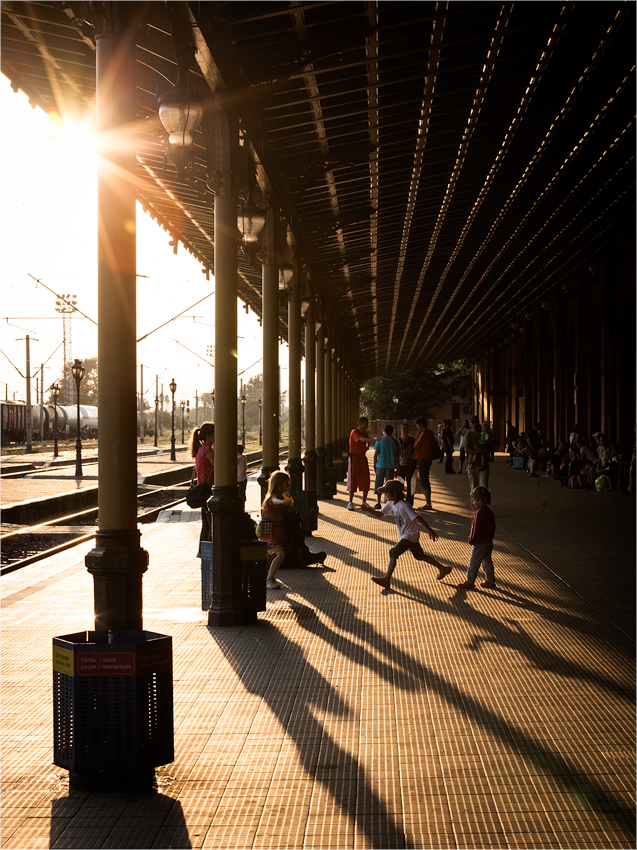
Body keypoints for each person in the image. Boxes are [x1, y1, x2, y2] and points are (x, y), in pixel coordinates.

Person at [359, 479, 452, 589]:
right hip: (407, 535)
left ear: (393, 494)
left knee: (393, 552)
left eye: (386, 493)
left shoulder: (404, 506)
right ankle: (443, 568)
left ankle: (386, 579)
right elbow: (380, 514)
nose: (385, 495)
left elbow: (418, 517)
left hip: (410, 535)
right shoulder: (391, 503)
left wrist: (430, 530)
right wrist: (369, 510)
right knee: (420, 556)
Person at [457, 486, 496, 590]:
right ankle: (490, 580)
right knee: (487, 561)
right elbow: (493, 527)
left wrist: (471, 539)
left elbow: (475, 528)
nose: (473, 503)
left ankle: (470, 581)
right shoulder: (490, 513)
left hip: (479, 543)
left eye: (474, 500)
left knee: (474, 562)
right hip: (488, 542)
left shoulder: (478, 513)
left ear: (479, 500)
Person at [258, 470, 292, 589]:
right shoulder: (273, 497)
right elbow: (275, 501)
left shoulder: (278, 496)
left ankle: (262, 576)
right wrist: (283, 502)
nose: (288, 486)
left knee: (269, 554)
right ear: (278, 484)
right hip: (268, 531)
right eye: (286, 484)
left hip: (269, 530)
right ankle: (269, 579)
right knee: (280, 554)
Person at [190, 422, 215, 550]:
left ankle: (203, 551)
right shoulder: (207, 450)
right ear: (209, 435)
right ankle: (209, 551)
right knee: (211, 524)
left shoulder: (200, 450)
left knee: (206, 523)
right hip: (208, 489)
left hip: (203, 489)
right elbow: (218, 466)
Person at [412, 416, 439, 510]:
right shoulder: (430, 433)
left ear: (420, 425)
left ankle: (428, 503)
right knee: (425, 479)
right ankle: (428, 502)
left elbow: (415, 445)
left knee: (424, 480)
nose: (416, 427)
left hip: (422, 458)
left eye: (417, 425)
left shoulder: (424, 434)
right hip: (427, 458)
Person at [347, 416, 372, 510]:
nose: (366, 426)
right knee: (353, 479)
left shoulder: (365, 433)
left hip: (362, 457)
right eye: (365, 424)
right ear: (360, 423)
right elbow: (361, 440)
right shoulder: (355, 432)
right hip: (355, 457)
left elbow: (366, 443)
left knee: (366, 478)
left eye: (367, 425)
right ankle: (350, 502)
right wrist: (374, 440)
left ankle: (364, 501)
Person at [373, 424, 398, 508]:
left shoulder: (379, 441)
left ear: (384, 431)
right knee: (389, 486)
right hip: (390, 466)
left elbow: (375, 454)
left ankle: (378, 502)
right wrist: (396, 467)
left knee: (379, 484)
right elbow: (397, 455)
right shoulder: (394, 442)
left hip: (380, 465)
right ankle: (389, 504)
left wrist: (374, 465)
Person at [464, 416, 489, 493]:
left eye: (475, 422)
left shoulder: (483, 433)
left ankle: (483, 504)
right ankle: (474, 504)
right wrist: (478, 452)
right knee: (474, 488)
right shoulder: (468, 435)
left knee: (483, 486)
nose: (474, 424)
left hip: (483, 463)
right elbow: (467, 449)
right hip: (472, 464)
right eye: (472, 422)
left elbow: (489, 445)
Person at [397, 423, 416, 505]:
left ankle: (409, 501)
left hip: (410, 465)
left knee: (410, 484)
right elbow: (396, 453)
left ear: (408, 430)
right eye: (403, 429)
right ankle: (400, 500)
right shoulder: (397, 441)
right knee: (400, 484)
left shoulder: (412, 440)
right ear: (400, 430)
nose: (404, 431)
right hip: (401, 465)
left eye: (406, 429)